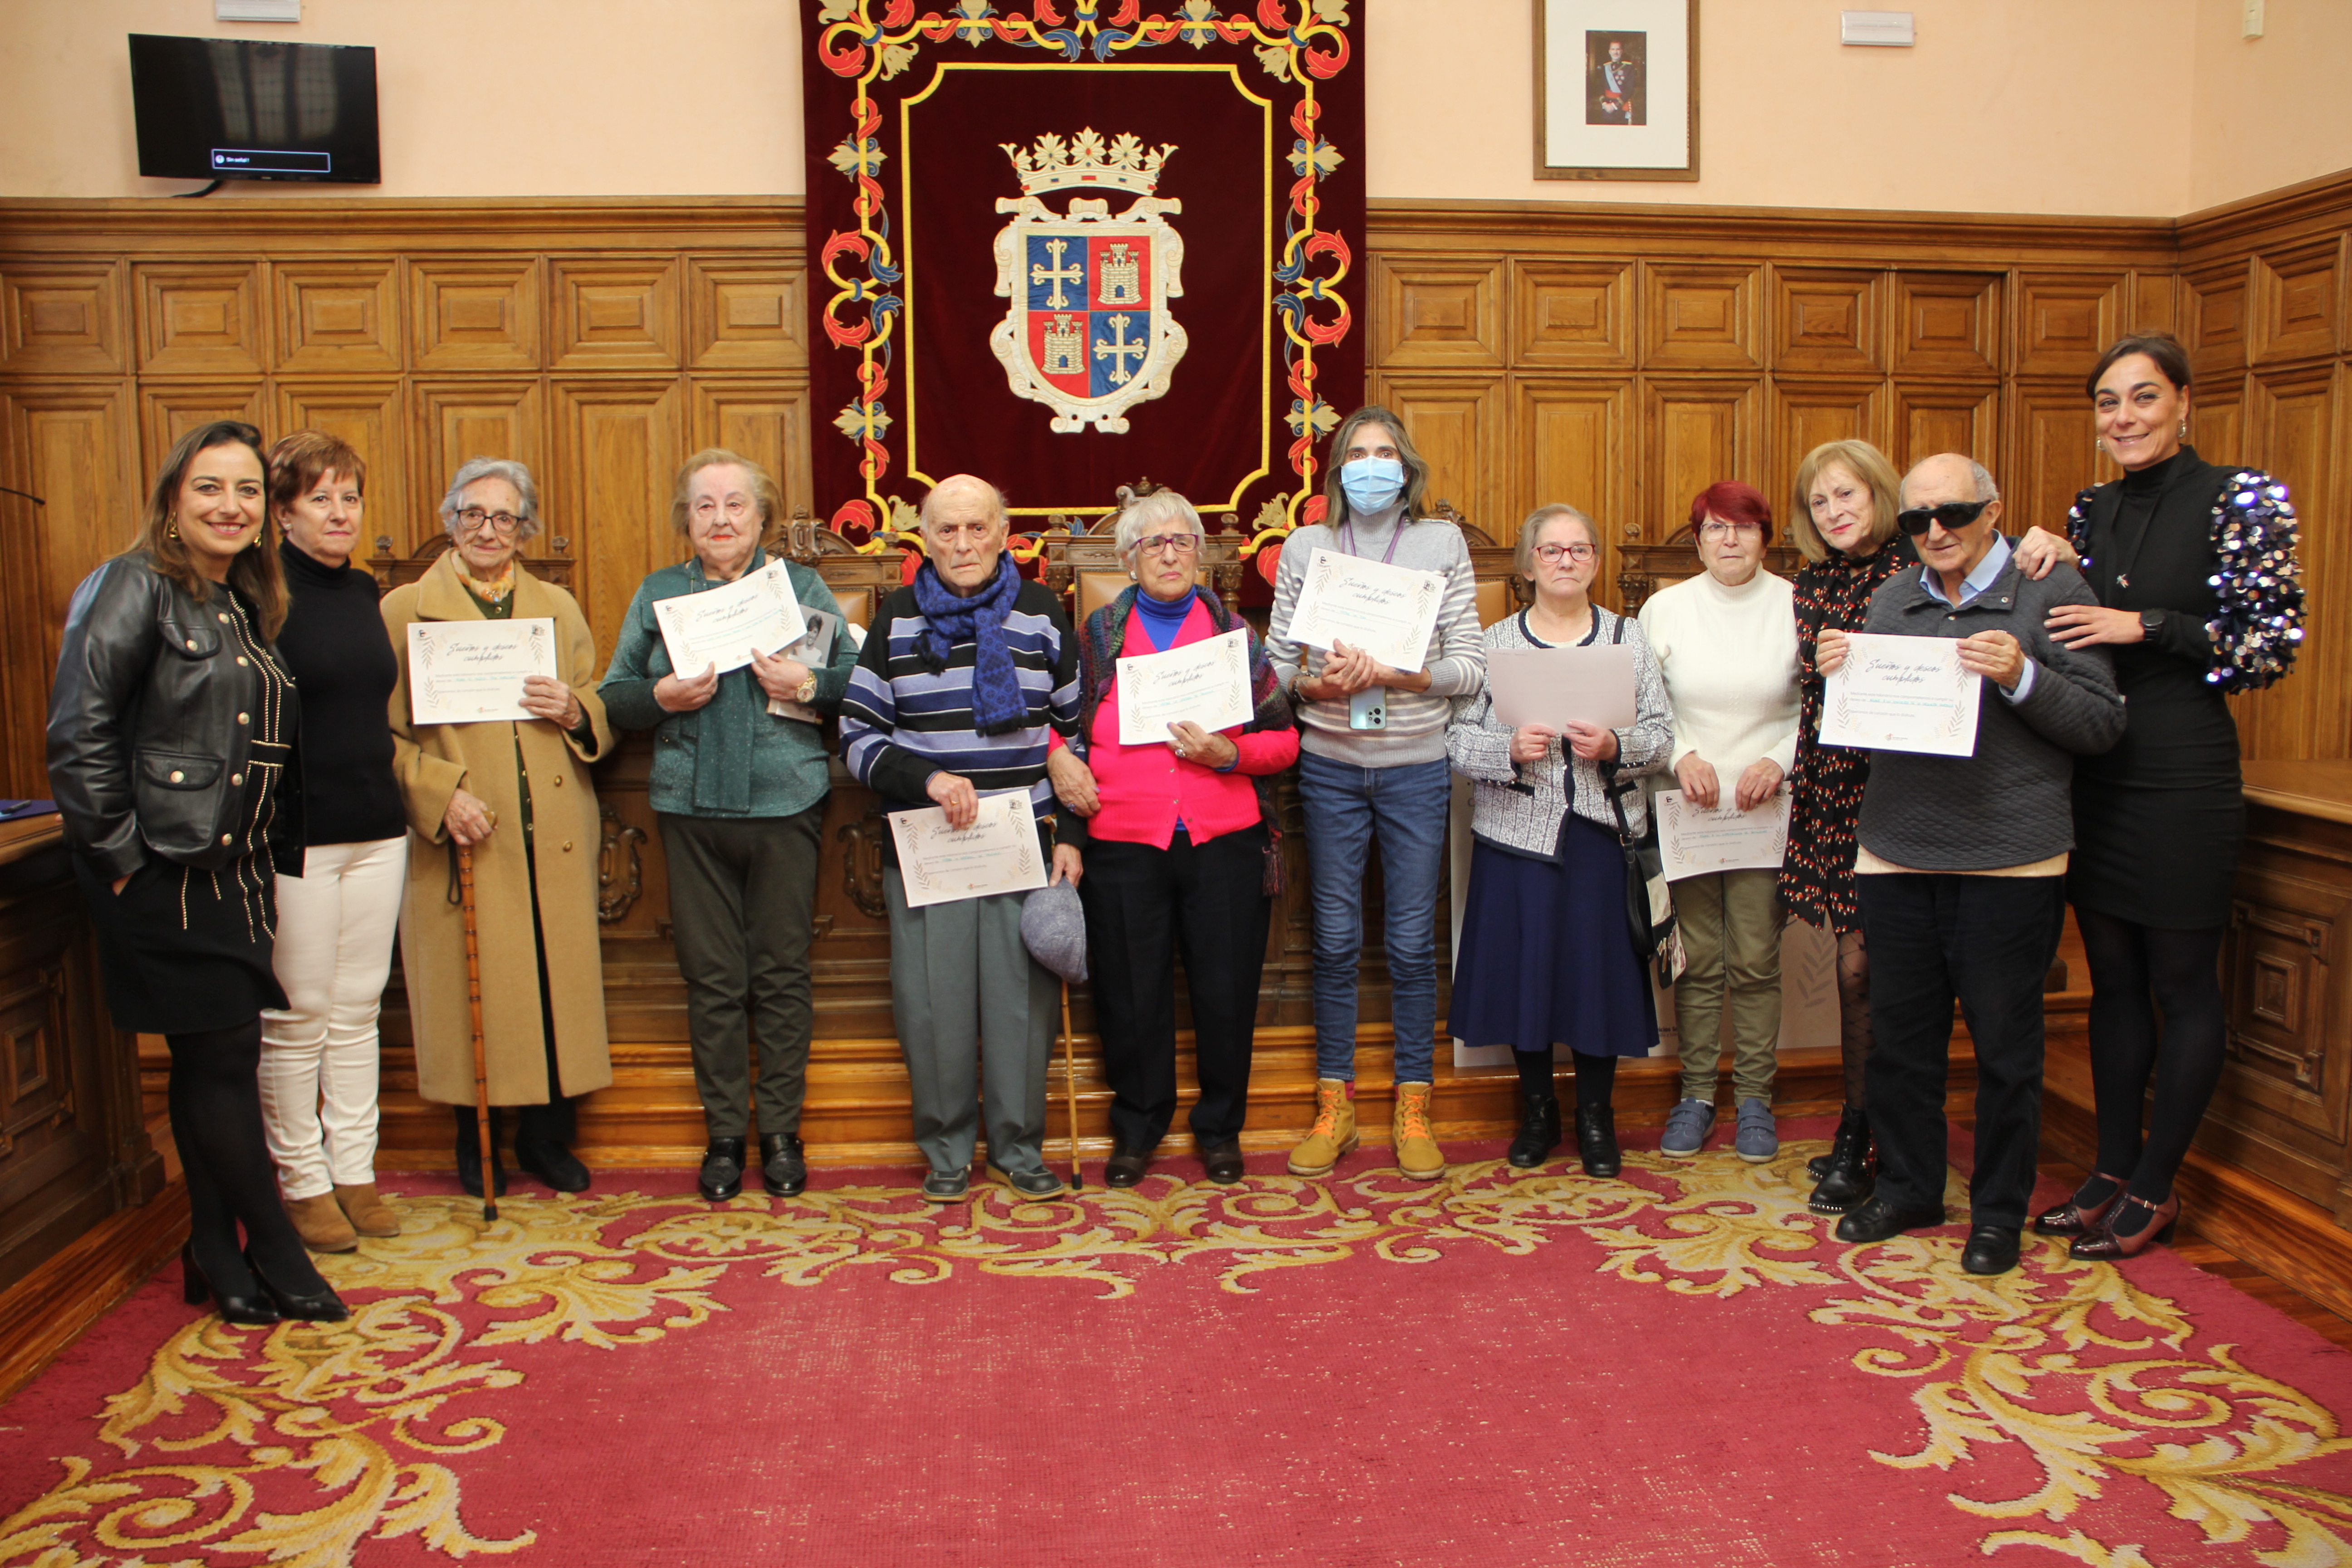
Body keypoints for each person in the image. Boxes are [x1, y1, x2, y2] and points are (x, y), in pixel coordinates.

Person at [47, 420, 346, 1324]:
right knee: (219, 1061)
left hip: (238, 873)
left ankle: (214, 1250)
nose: (232, 506)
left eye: (249, 490)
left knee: (213, 1064)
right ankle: (278, 1252)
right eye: (210, 488)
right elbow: (80, 736)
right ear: (173, 502)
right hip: (164, 872)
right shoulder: (132, 586)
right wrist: (124, 864)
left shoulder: (244, 602)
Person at [2013, 333, 2303, 1260]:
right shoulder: (2089, 510)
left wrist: (2149, 625)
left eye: (2143, 397)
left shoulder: (2240, 498)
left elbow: (2270, 644)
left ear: (2184, 401)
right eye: (2108, 402)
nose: (2125, 417)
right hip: (2098, 767)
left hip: (2184, 772)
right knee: (2115, 985)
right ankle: (2107, 1169)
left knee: (2182, 983)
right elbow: (2068, 628)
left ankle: (2156, 1184)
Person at [1826, 453, 2125, 1277]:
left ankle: (1997, 1212)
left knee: (2005, 1050)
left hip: (2011, 859)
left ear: (1994, 510)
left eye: (1953, 513)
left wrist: (2023, 675)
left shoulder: (2053, 589)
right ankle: (1913, 1186)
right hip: (1896, 851)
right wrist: (1840, 682)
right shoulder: (1893, 597)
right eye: (1918, 520)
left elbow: (2102, 723)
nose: (1935, 532)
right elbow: (1871, 726)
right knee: (1903, 1043)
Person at [599, 451, 859, 1203]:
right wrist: (662, 697)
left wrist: (806, 682)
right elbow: (614, 697)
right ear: (687, 518)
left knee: (781, 975)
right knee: (711, 981)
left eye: (735, 505)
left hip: (785, 804)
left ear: (761, 517)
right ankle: (723, 1137)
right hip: (690, 809)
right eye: (705, 506)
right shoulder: (660, 595)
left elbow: (853, 684)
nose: (720, 518)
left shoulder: (799, 588)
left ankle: (779, 1132)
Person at [839, 474, 1089, 1202]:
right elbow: (857, 734)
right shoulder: (898, 617)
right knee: (933, 1006)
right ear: (925, 538)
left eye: (977, 527)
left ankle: (1017, 1149)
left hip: (1024, 837)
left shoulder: (1043, 614)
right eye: (946, 530)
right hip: (930, 844)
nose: (963, 544)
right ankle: (947, 1150)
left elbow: (1073, 737)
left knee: (1021, 1007)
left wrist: (1071, 835)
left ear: (1006, 531)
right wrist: (926, 779)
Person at [384, 458, 614, 1197]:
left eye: (505, 518)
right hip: (467, 828)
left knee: (554, 983)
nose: (489, 530)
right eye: (473, 515)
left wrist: (576, 712)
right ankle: (475, 1141)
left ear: (526, 529)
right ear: (450, 521)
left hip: (554, 825)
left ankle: (549, 1139)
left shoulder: (557, 604)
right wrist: (439, 794)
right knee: (473, 989)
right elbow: (376, 735)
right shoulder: (403, 611)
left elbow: (593, 698)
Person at [1268, 406, 1486, 1183]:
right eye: (1356, 454)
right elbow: (1276, 665)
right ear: (1336, 468)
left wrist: (1399, 674)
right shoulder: (1307, 544)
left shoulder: (1440, 544)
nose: (1370, 465)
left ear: (1406, 465)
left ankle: (1412, 1104)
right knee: (1330, 942)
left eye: (1384, 453)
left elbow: (1471, 665)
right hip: (1328, 764)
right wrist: (1311, 684)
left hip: (1415, 765)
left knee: (1406, 945)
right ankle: (1336, 1104)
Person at [1055, 490, 1297, 1187]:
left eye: (1181, 541)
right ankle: (1138, 1128)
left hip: (1224, 838)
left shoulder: (1234, 638)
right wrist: (1059, 760)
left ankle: (1221, 1130)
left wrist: (1231, 755)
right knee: (1130, 995)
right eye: (1152, 544)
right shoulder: (1096, 637)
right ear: (1129, 560)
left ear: (1199, 554)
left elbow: (1285, 741)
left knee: (1227, 991)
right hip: (1124, 841)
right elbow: (1056, 727)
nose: (1168, 553)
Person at [1448, 505, 1672, 1174]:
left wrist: (1617, 745)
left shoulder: (1628, 640)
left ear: (1597, 562)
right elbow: (1458, 739)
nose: (1566, 561)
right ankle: (1539, 1112)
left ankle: (1596, 1120)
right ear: (1527, 566)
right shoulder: (1494, 644)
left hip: (1604, 836)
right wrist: (1507, 748)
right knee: (1529, 978)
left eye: (1579, 550)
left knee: (1596, 980)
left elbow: (1662, 736)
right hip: (1518, 838)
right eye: (1551, 551)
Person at [255, 432, 409, 1253]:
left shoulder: (361, 592)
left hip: (377, 827)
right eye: (321, 499)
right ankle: (303, 1180)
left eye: (349, 497)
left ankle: (355, 1171)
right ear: (281, 513)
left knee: (357, 1011)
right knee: (298, 1014)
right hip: (298, 836)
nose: (340, 513)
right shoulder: (261, 594)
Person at [1638, 481, 1799, 1163]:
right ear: (1696, 537)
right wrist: (1681, 755)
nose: (1728, 541)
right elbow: (1643, 706)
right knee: (1698, 959)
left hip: (1766, 807)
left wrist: (1781, 760)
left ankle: (1756, 1097)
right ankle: (1698, 1094)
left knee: (1758, 960)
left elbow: (1818, 708)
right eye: (1713, 528)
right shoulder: (1665, 609)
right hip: (1691, 808)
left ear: (1766, 537)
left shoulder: (1797, 606)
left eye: (1743, 528)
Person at [1780, 440, 1913, 1212]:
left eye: (1847, 495)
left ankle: (1877, 1134)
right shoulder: (1812, 582)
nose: (1834, 512)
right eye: (1819, 501)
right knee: (1851, 969)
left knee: (1877, 973)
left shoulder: (1917, 569)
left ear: (1880, 494)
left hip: (1900, 791)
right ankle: (1857, 1129)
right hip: (1833, 790)